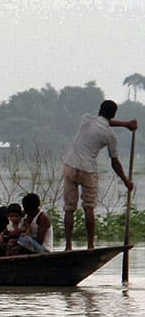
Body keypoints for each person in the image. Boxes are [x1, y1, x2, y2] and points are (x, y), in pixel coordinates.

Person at [62, 100, 137, 250]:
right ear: (113, 114)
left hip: (70, 165)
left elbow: (105, 121)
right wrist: (126, 181)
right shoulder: (109, 136)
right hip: (88, 170)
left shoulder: (86, 119)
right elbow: (115, 163)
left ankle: (68, 246)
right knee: (89, 208)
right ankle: (90, 246)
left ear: (99, 110)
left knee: (69, 208)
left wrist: (125, 124)